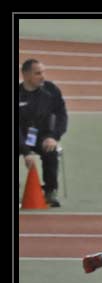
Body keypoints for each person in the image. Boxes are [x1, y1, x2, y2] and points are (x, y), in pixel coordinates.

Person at [19, 59, 68, 207]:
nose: (43, 76)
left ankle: (50, 191)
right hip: (20, 136)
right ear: (25, 75)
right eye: (38, 73)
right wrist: (26, 151)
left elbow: (61, 115)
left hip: (42, 135)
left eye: (43, 72)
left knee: (51, 151)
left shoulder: (51, 90)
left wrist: (53, 137)